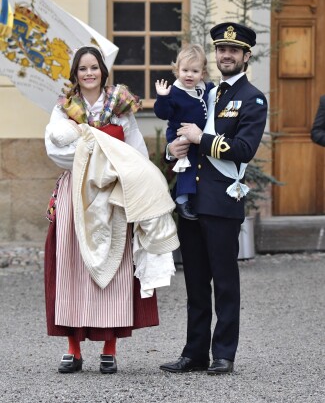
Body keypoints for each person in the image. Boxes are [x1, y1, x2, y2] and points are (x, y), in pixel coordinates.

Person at [44, 46, 179, 374]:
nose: (89, 73)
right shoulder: (64, 109)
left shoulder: (120, 108)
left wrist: (91, 145)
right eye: (82, 69)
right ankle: (72, 348)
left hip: (113, 194)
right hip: (75, 193)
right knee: (72, 268)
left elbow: (136, 152)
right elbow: (53, 150)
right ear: (75, 74)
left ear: (103, 71)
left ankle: (109, 347)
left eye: (94, 67)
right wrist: (101, 145)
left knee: (115, 270)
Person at [159, 22, 268, 375]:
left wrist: (199, 138)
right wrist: (172, 149)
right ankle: (194, 353)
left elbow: (244, 150)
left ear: (246, 56)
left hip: (222, 202)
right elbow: (180, 129)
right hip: (191, 198)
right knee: (194, 282)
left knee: (223, 282)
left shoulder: (252, 98)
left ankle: (224, 354)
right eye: (221, 49)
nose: (226, 55)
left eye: (233, 51)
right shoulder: (206, 93)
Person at [154, 44, 215, 220]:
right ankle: (181, 200)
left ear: (202, 74)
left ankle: (194, 198)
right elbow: (162, 113)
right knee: (188, 165)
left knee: (199, 165)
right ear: (177, 71)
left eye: (195, 71)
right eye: (185, 70)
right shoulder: (174, 92)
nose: (189, 75)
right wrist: (162, 97)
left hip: (199, 136)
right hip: (180, 134)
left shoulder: (206, 88)